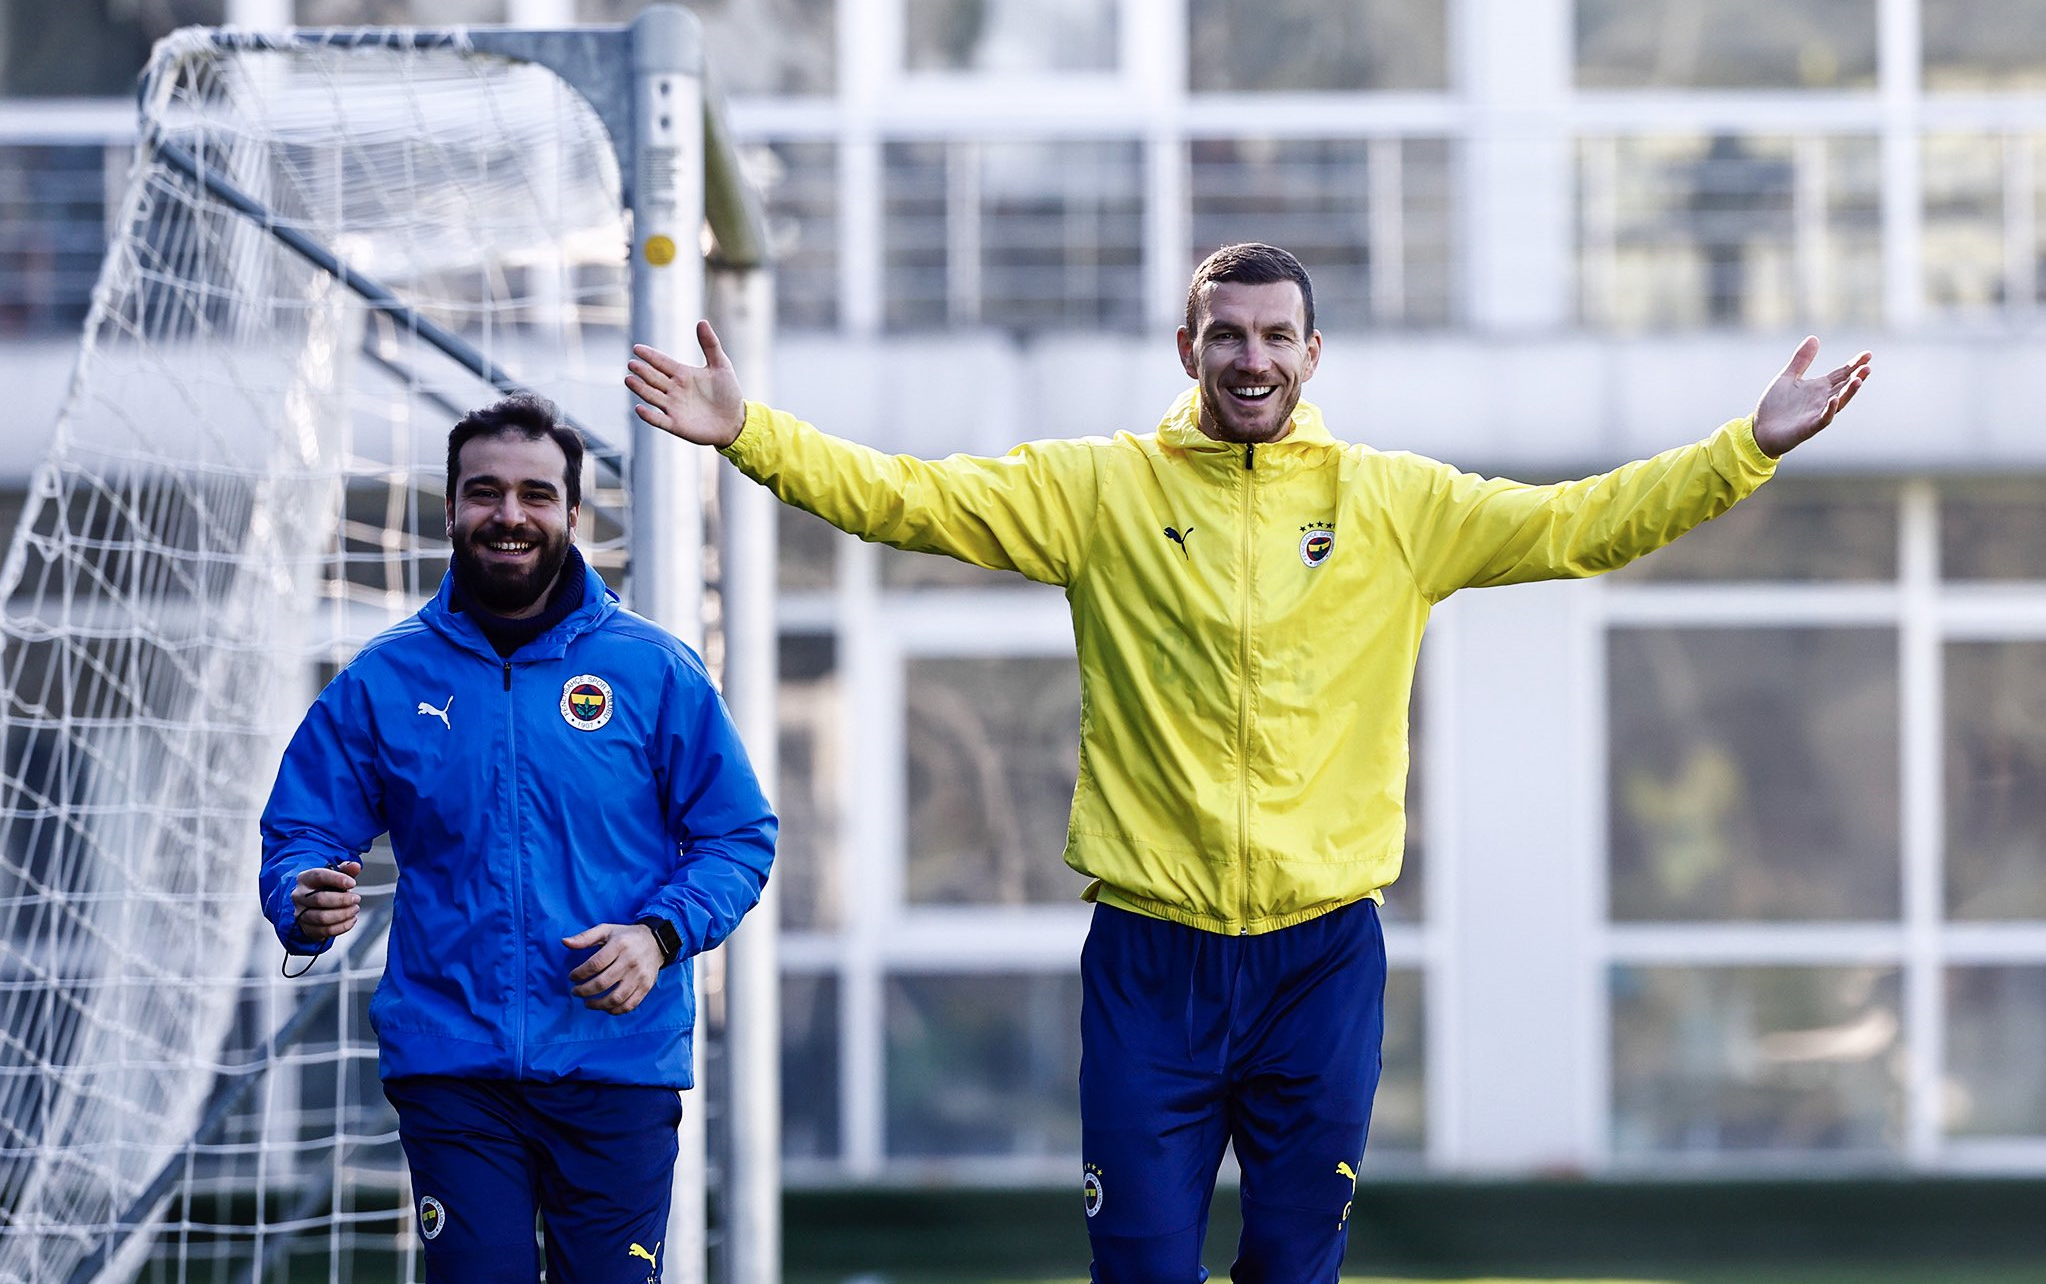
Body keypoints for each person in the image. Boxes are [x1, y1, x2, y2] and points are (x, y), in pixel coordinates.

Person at [625, 242, 1871, 1284]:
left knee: (1291, 1264)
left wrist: (1744, 448)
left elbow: (1578, 524)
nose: (1254, 358)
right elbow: (906, 497)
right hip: (1151, 959)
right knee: (1146, 1266)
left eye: (1278, 336)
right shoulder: (1102, 491)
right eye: (1228, 335)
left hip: (1319, 957)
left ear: (1314, 355)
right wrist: (752, 435)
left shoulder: (1393, 505)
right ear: (1188, 349)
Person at [257, 394, 775, 1284]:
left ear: (573, 514)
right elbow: (302, 830)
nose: (509, 515)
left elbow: (737, 837)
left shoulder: (652, 670)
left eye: (536, 495)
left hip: (618, 1067)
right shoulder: (386, 678)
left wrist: (658, 937)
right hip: (453, 1072)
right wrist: (303, 896)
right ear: (452, 507)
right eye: (484, 492)